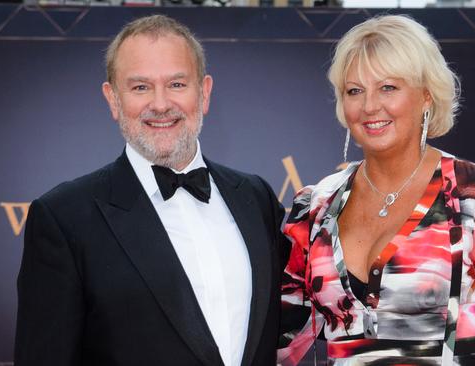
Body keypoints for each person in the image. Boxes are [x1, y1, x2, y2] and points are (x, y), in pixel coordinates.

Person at [15, 15, 286, 366]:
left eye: (176, 84)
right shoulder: (64, 218)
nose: (160, 104)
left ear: (203, 93)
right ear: (113, 100)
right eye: (140, 87)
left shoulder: (255, 197)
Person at [277, 15, 475, 365]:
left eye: (388, 87)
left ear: (425, 95)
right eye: (354, 90)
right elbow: (281, 343)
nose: (370, 106)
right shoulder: (315, 207)